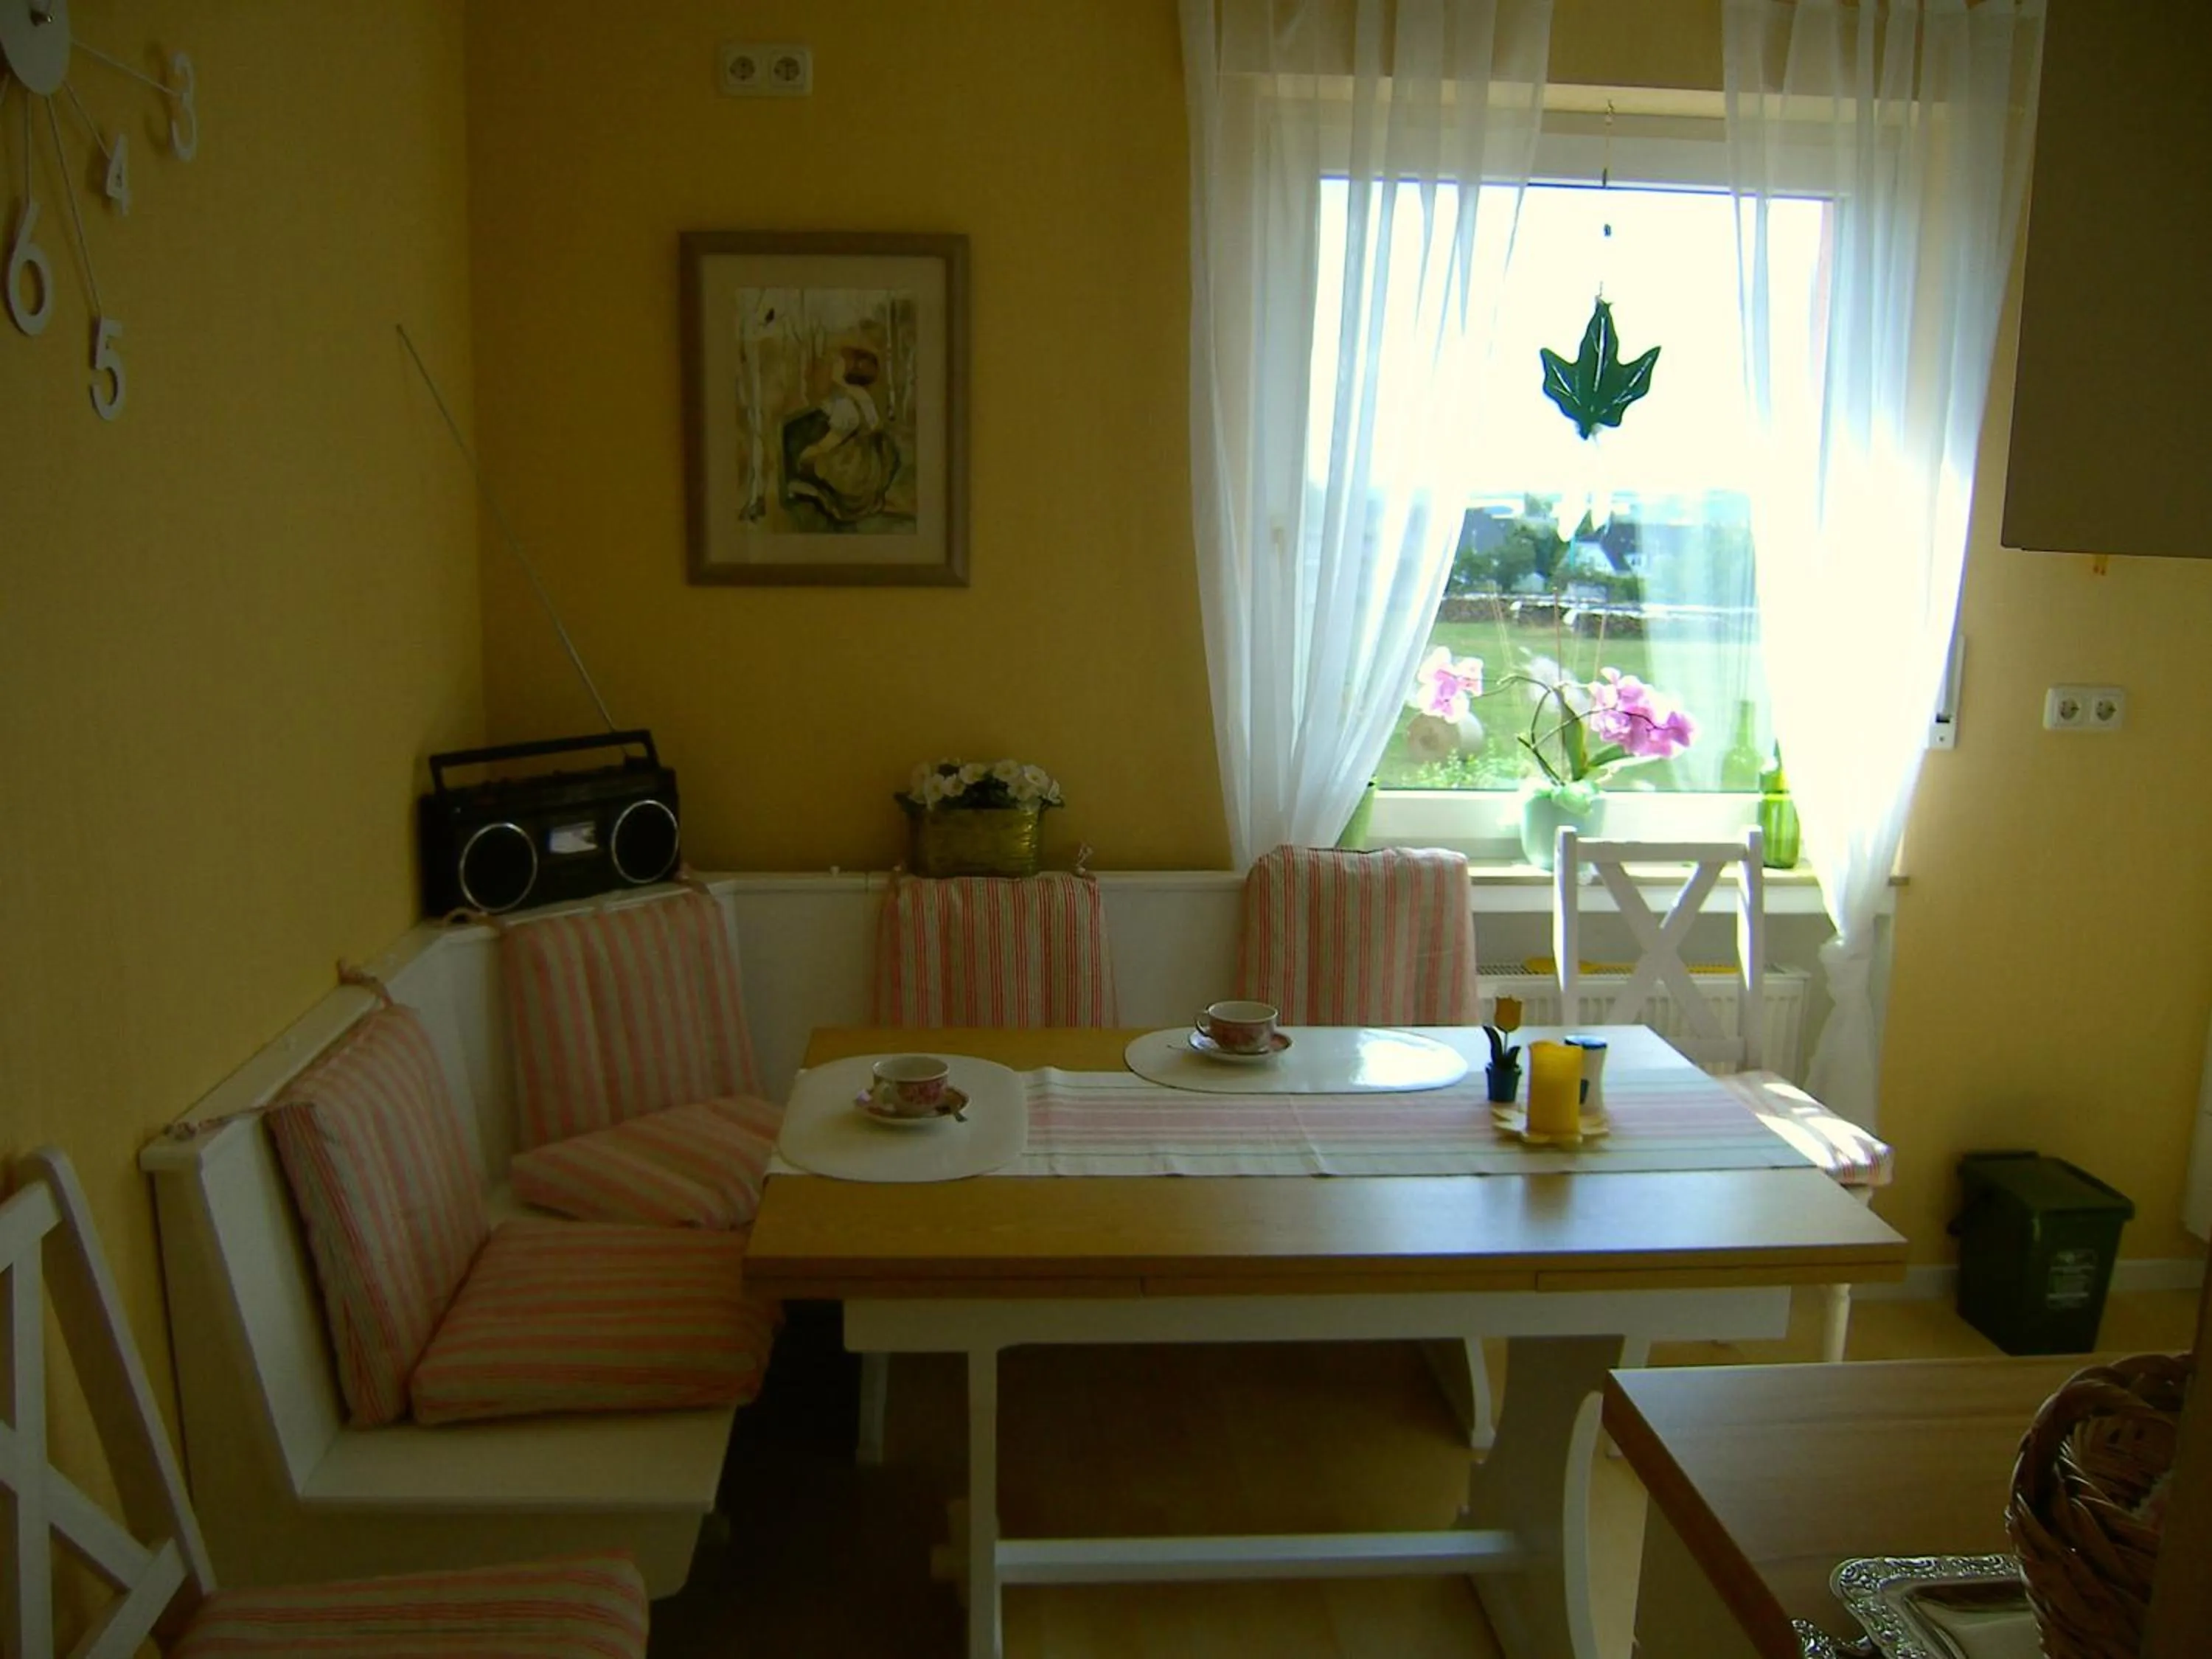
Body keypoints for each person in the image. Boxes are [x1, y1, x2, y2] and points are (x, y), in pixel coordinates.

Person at [782, 344, 902, 527]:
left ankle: (817, 491)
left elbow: (829, 443)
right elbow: (829, 409)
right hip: (869, 465)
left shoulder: (847, 405)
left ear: (850, 370)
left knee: (799, 443)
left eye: (839, 362)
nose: (833, 365)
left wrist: (808, 454)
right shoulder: (861, 396)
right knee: (807, 425)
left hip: (854, 469)